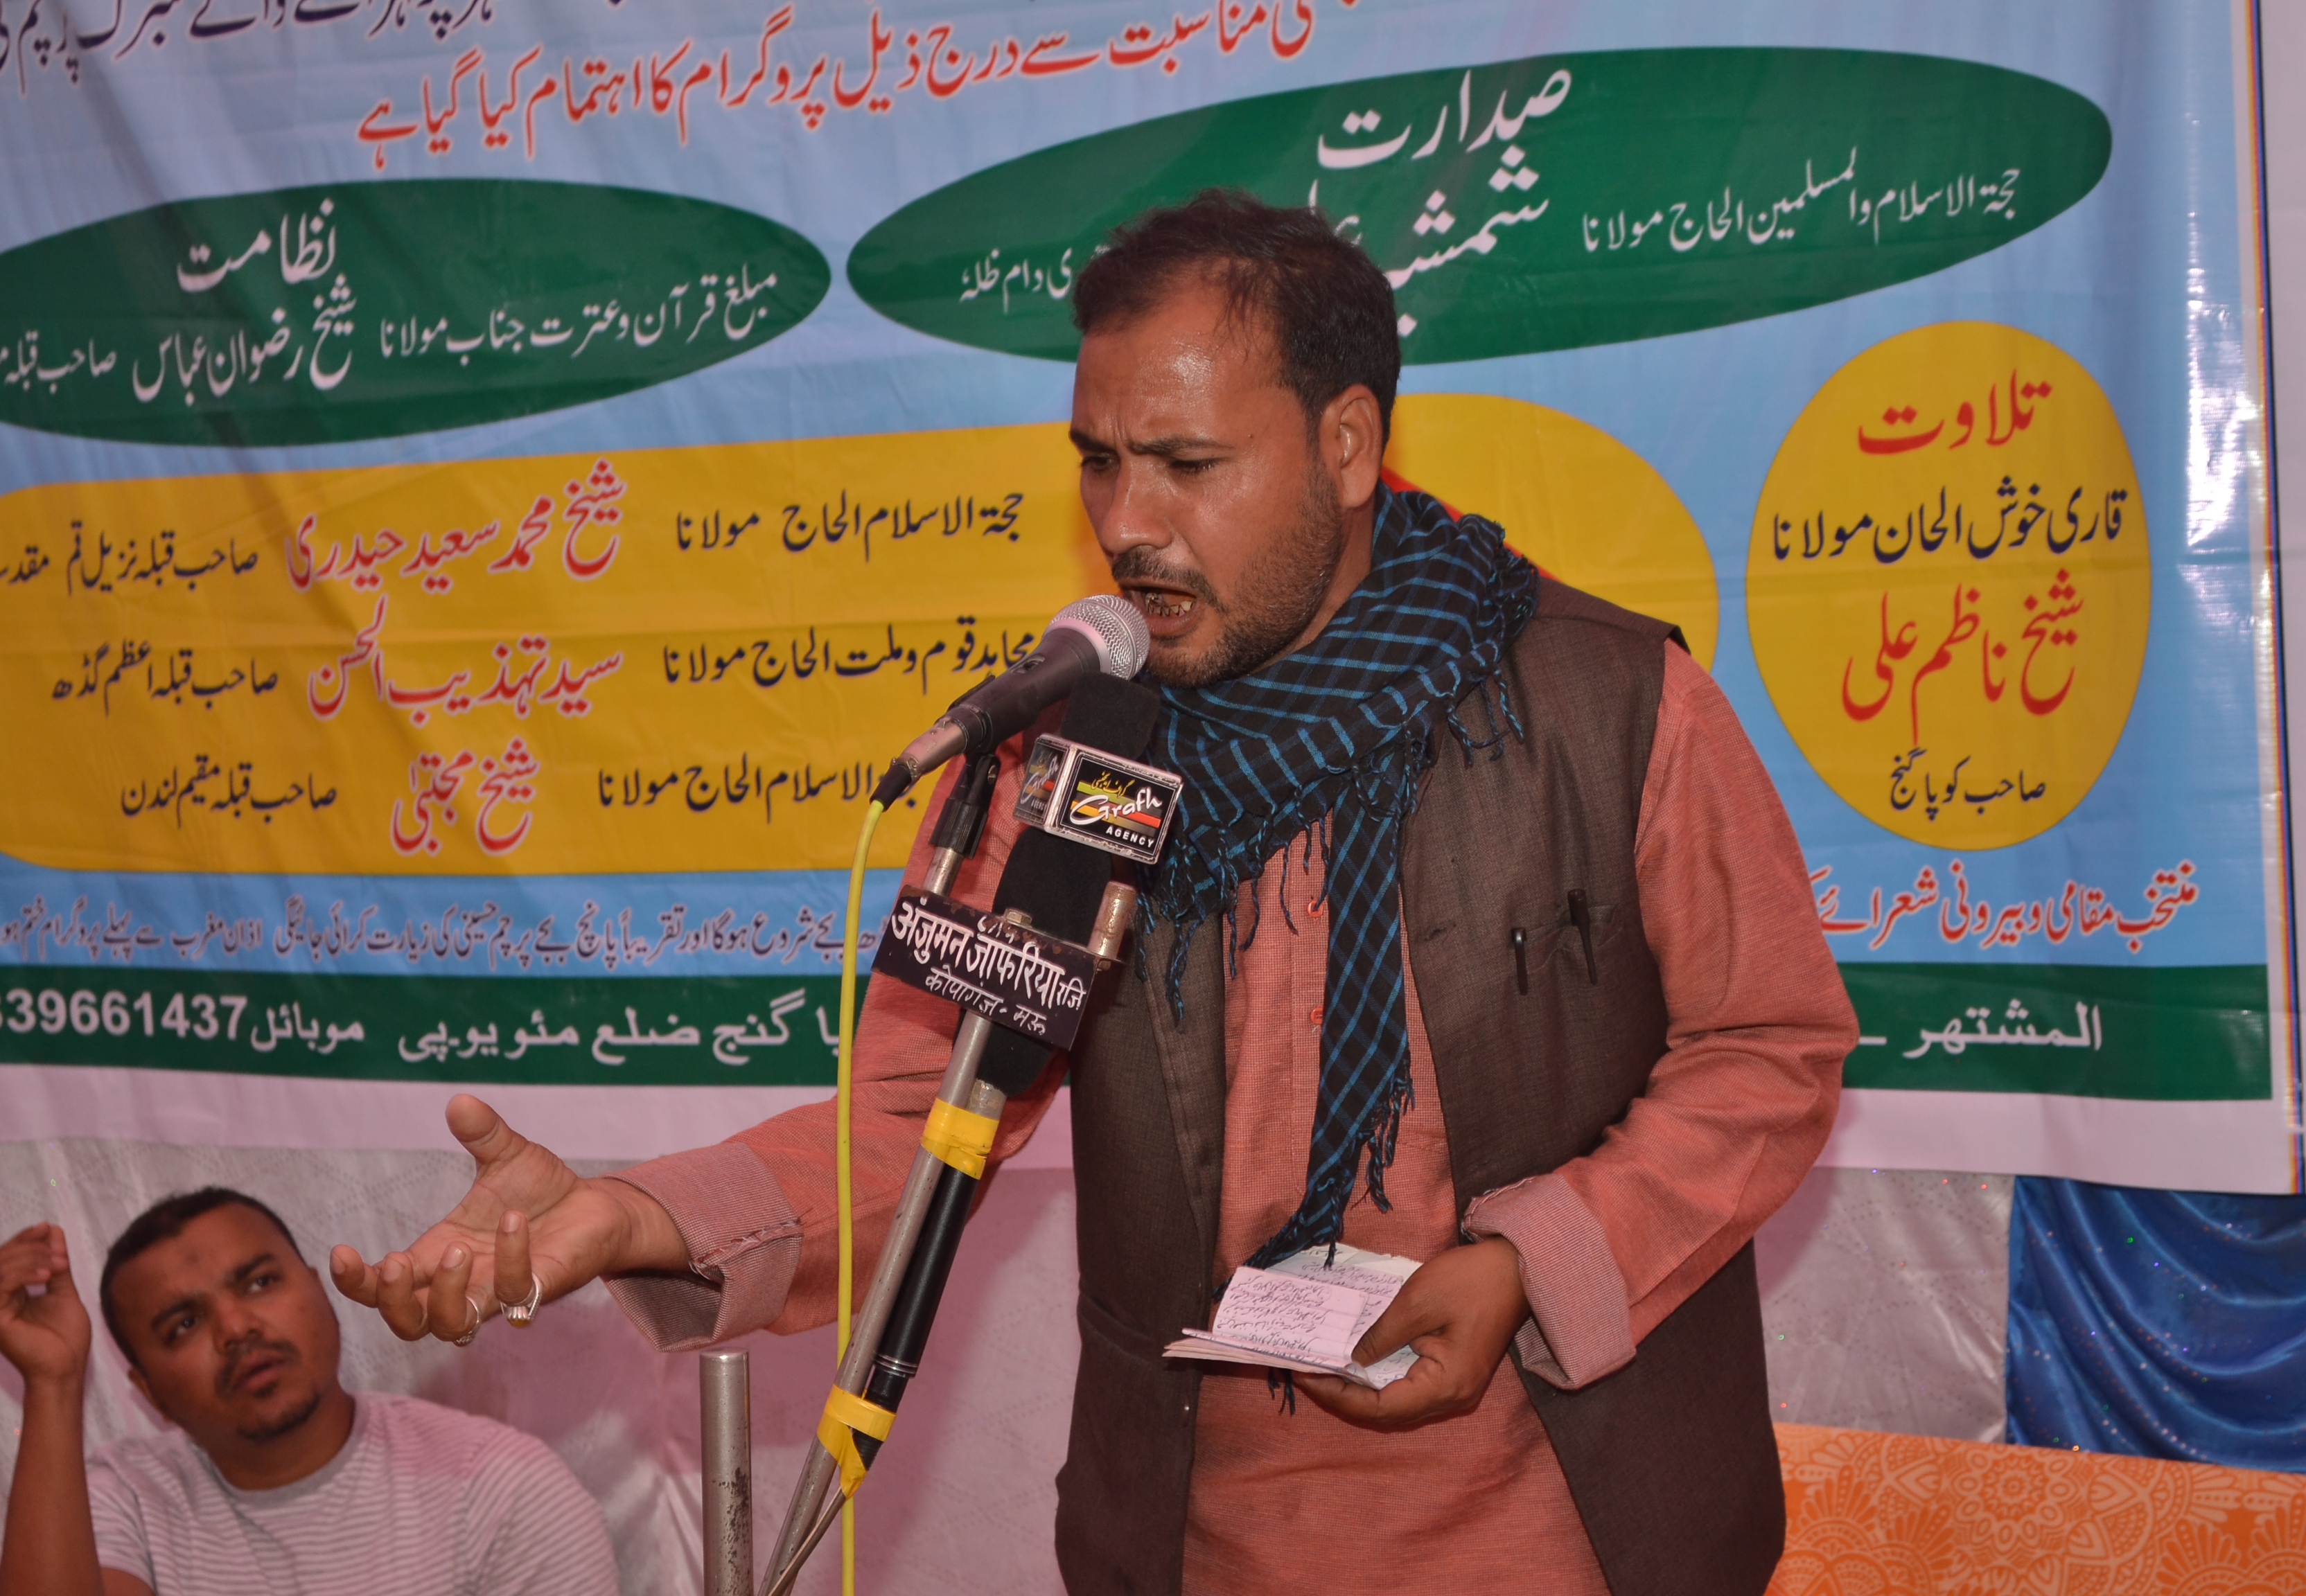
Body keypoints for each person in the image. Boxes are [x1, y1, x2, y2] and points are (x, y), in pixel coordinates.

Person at [331, 189, 1856, 1596]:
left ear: (1346, 445)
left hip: (1568, 1539)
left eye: (1188, 465)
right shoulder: (1061, 757)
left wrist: (1533, 1261)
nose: (1128, 520)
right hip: (1190, 1546)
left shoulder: (1605, 703)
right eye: (1100, 459)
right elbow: (918, 1121)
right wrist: (631, 1214)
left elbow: (1770, 1048)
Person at [0, 1189, 619, 1596]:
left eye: (260, 1283)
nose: (236, 1328)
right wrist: (53, 1382)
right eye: (183, 1324)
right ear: (149, 1392)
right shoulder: (123, 1497)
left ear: (321, 1292)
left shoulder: (501, 1485)